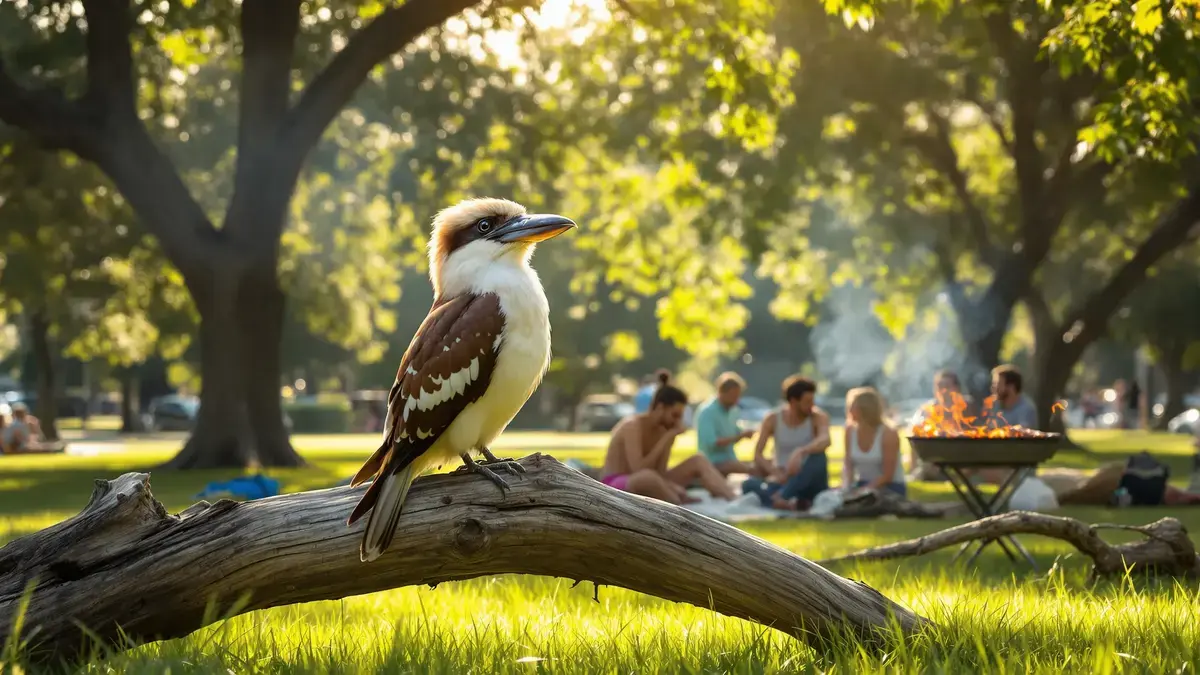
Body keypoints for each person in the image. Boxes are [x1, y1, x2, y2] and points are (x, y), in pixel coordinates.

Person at [600, 380, 736, 503]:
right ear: (660, 408)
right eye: (675, 415)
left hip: (650, 481)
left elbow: (660, 472)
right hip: (616, 484)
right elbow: (638, 469)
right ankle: (675, 501)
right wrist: (666, 439)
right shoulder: (633, 426)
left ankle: (732, 498)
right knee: (648, 477)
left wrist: (669, 439)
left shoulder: (664, 430)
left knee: (698, 460)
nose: (677, 421)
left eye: (680, 417)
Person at [741, 375, 832, 510]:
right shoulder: (773, 419)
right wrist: (775, 472)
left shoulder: (818, 417)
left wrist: (801, 451)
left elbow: (825, 440)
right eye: (807, 402)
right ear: (793, 401)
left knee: (818, 457)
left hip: (808, 480)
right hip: (782, 479)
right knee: (748, 484)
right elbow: (758, 454)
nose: (812, 406)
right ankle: (791, 502)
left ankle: (781, 498)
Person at [841, 387, 907, 497]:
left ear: (865, 410)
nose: (850, 411)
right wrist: (847, 486)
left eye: (853, 407)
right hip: (862, 484)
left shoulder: (888, 434)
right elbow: (848, 464)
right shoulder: (849, 430)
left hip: (890, 487)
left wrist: (863, 491)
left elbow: (888, 475)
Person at [693, 372, 757, 476]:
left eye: (738, 396)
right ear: (721, 392)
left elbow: (735, 431)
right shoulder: (707, 412)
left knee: (758, 465)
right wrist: (738, 437)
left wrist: (745, 433)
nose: (736, 400)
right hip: (712, 463)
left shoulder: (733, 410)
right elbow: (712, 442)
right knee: (750, 470)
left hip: (731, 459)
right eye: (733, 396)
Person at [980, 365, 1039, 429]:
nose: (993, 388)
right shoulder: (994, 406)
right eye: (994, 384)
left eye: (998, 384)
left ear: (1011, 387)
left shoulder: (1027, 409)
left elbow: (1023, 432)